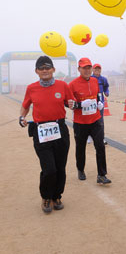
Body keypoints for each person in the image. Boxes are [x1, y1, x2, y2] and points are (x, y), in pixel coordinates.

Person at [19, 56, 75, 214]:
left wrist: (72, 103)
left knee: (60, 166)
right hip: (41, 131)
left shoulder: (63, 85)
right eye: (41, 68)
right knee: (49, 168)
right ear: (36, 71)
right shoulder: (32, 88)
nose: (45, 70)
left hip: (60, 129)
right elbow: (25, 106)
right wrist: (22, 117)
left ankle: (57, 196)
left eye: (47, 67)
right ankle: (46, 196)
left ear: (53, 70)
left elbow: (71, 102)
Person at [69, 57, 111, 184]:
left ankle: (102, 175)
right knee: (80, 148)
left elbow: (98, 94)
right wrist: (81, 105)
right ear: (79, 69)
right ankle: (80, 169)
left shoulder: (94, 81)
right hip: (80, 123)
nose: (87, 70)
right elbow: (69, 104)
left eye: (89, 68)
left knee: (100, 146)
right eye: (84, 68)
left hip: (96, 120)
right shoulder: (72, 84)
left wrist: (99, 103)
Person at [92, 63, 109, 144]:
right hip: (91, 102)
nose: (97, 70)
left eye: (99, 69)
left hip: (100, 102)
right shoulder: (90, 78)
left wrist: (106, 92)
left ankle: (102, 138)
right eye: (95, 69)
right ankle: (89, 136)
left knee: (100, 120)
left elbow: (106, 87)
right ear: (93, 70)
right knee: (91, 119)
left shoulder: (103, 79)